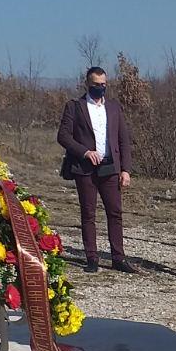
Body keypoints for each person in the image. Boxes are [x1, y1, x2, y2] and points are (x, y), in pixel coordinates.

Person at [57, 67, 138, 273]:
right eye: (96, 85)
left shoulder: (113, 107)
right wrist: (85, 152)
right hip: (85, 168)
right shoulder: (75, 107)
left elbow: (123, 140)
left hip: (110, 167)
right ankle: (91, 257)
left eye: (104, 85)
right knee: (88, 213)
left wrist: (125, 169)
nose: (101, 88)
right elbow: (63, 136)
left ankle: (118, 258)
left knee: (115, 212)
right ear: (88, 84)